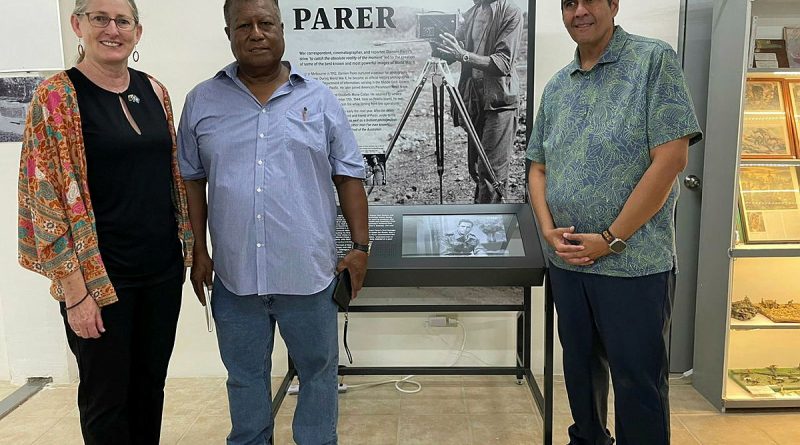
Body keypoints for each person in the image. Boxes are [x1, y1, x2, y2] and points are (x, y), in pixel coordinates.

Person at [177, 0, 369, 444]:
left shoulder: (319, 99)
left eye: (265, 23)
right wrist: (199, 250)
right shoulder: (201, 101)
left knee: (318, 375)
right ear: (228, 33)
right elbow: (192, 180)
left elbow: (349, 175)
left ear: (282, 28)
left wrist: (360, 248)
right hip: (235, 277)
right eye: (244, 25)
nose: (256, 33)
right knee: (244, 378)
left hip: (309, 275)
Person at [16, 1, 194, 443]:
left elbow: (170, 177)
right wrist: (75, 294)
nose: (112, 29)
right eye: (100, 19)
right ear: (78, 24)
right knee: (105, 400)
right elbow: (45, 199)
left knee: (150, 389)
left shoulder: (155, 91)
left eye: (122, 21)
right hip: (100, 281)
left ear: (138, 30)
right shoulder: (56, 95)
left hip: (161, 272)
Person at [526, 1, 702, 444]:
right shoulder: (557, 87)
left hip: (634, 265)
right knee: (580, 371)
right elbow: (538, 167)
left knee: (637, 382)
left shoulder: (652, 60)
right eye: (568, 4)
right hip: (569, 264)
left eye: (589, 1)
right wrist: (548, 230)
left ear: (614, 5)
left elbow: (671, 158)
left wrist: (610, 238)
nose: (578, 11)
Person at [433, 0, 524, 203]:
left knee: (491, 173)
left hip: (499, 103)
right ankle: (481, 214)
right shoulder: (470, 14)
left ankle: (490, 227)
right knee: (476, 170)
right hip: (473, 101)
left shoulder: (511, 12)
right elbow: (451, 54)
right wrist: (436, 42)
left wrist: (462, 55)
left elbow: (503, 62)